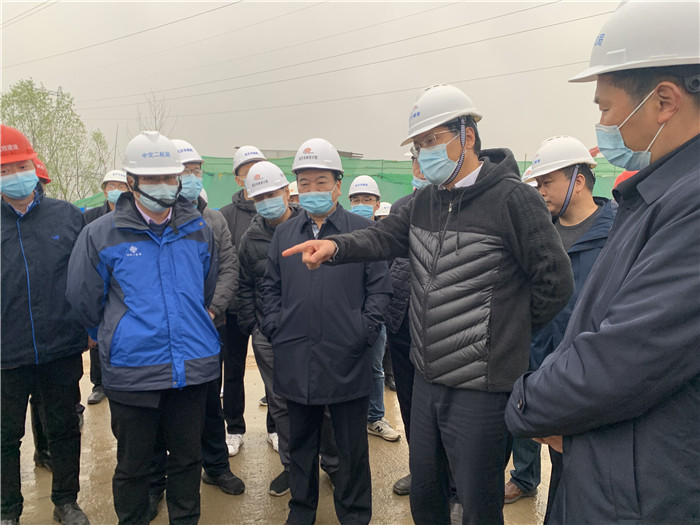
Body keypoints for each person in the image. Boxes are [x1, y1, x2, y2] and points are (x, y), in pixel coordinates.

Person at [282, 85, 573, 524]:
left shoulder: (513, 200)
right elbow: (382, 237)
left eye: (432, 140)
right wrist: (335, 247)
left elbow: (555, 282)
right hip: (427, 378)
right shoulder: (425, 201)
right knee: (427, 495)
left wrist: (504, 332)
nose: (424, 152)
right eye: (419, 145)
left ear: (467, 136)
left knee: (477, 503)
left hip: (481, 387)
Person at [505, 2, 700, 523]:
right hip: (613, 467)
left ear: (664, 101)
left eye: (607, 108)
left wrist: (525, 403)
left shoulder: (690, 205)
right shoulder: (656, 196)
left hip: (644, 489)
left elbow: (622, 357)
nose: (603, 124)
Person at [66, 131, 221, 525]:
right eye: (152, 178)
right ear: (132, 181)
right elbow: (84, 297)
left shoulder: (198, 229)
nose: (164, 185)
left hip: (192, 366)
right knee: (133, 466)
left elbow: (205, 287)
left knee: (187, 460)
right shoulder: (100, 234)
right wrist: (116, 331)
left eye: (170, 177)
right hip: (133, 369)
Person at [261, 138, 392, 525]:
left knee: (351, 450)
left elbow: (380, 290)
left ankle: (354, 515)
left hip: (347, 356)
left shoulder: (362, 231)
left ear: (338, 184)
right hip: (295, 355)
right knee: (300, 445)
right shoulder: (285, 234)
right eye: (304, 183)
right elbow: (269, 288)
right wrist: (276, 328)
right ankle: (301, 511)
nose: (313, 190)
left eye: (321, 181)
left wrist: (362, 331)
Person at [505, 136, 616, 514]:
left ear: (578, 181)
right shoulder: (539, 233)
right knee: (531, 424)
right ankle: (524, 478)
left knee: (578, 463)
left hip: (587, 367)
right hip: (537, 352)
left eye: (547, 182)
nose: (540, 191)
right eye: (537, 183)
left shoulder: (617, 232)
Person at [145, 139, 243, 518]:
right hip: (160, 334)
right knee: (156, 409)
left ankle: (216, 466)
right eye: (184, 171)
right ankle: (155, 483)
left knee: (207, 404)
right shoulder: (150, 219)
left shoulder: (213, 219)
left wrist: (213, 308)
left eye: (196, 170)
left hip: (205, 328)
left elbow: (229, 267)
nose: (191, 176)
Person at [1, 124, 90, 525]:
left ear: (33, 166)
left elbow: (89, 276)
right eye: (4, 170)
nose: (14, 176)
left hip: (61, 345)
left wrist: (90, 326)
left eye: (19, 166)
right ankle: (8, 509)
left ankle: (66, 501)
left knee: (65, 428)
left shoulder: (67, 216)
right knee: (5, 437)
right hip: (6, 352)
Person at [218, 145, 267, 456]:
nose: (255, 176)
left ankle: (276, 428)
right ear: (238, 179)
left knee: (273, 371)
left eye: (260, 168)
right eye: (247, 172)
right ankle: (234, 428)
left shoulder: (274, 209)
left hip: (269, 309)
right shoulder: (224, 216)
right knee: (233, 371)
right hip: (234, 311)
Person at [384, 146, 425, 497]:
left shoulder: (464, 205)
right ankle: (420, 470)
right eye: (416, 159)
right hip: (402, 322)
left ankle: (451, 479)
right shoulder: (401, 208)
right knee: (410, 403)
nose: (421, 165)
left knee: (444, 408)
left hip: (442, 328)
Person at [348, 175, 400, 442]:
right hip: (346, 314)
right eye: (356, 199)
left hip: (376, 315)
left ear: (377, 203)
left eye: (367, 199)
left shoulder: (386, 236)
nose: (361, 204)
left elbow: (386, 279)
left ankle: (375, 417)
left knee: (375, 369)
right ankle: (347, 420)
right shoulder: (343, 233)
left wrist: (374, 315)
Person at [82, 169, 131, 406]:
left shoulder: (134, 216)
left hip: (123, 282)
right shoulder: (90, 217)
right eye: (111, 186)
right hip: (98, 278)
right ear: (104, 190)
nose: (116, 190)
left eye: (121, 186)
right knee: (98, 333)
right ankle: (98, 384)